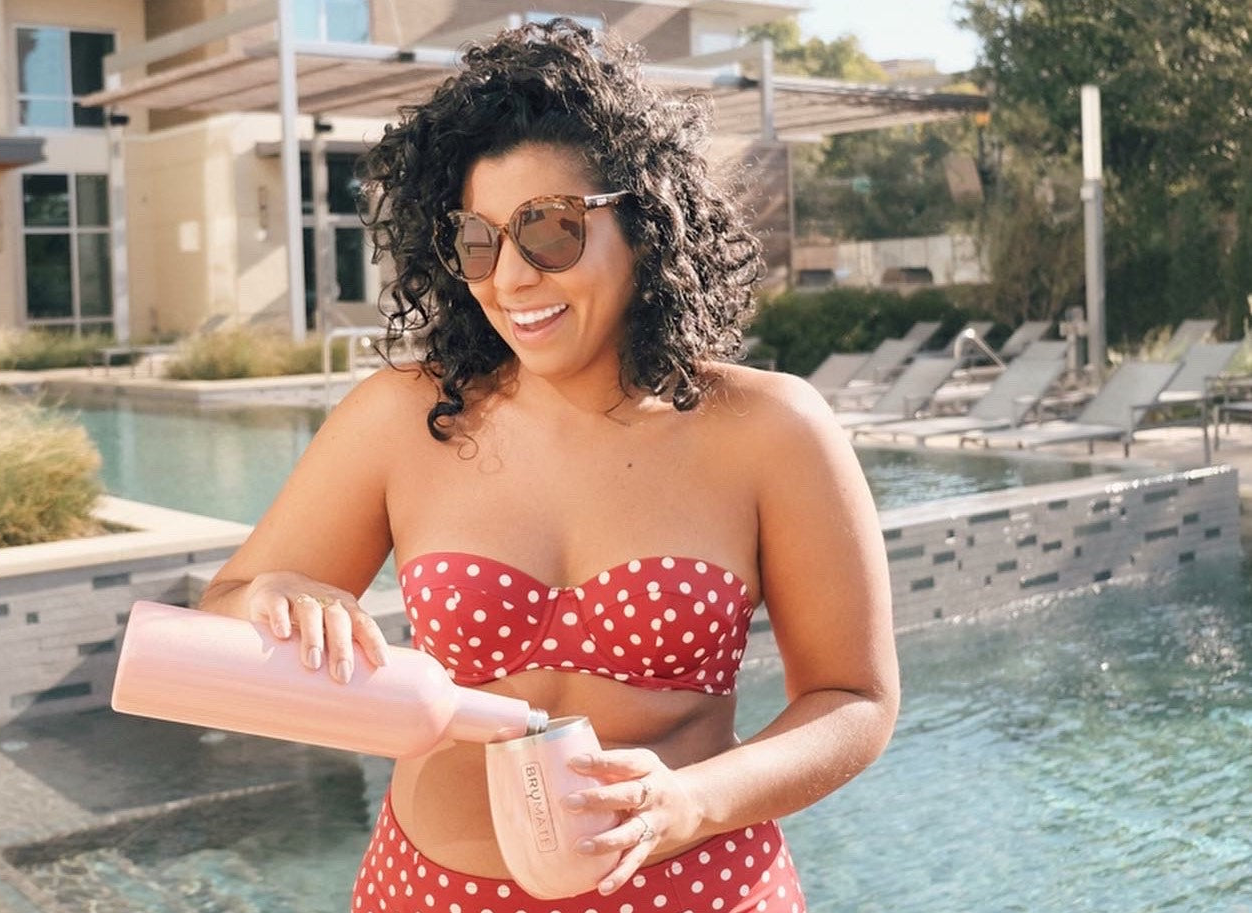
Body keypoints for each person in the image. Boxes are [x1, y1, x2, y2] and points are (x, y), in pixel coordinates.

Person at [199, 18, 898, 913]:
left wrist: (692, 801)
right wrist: (271, 596)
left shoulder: (767, 428)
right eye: (478, 240)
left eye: (549, 230)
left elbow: (853, 699)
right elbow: (221, 612)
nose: (511, 277)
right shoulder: (398, 420)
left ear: (643, 221)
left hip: (693, 887)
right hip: (429, 893)